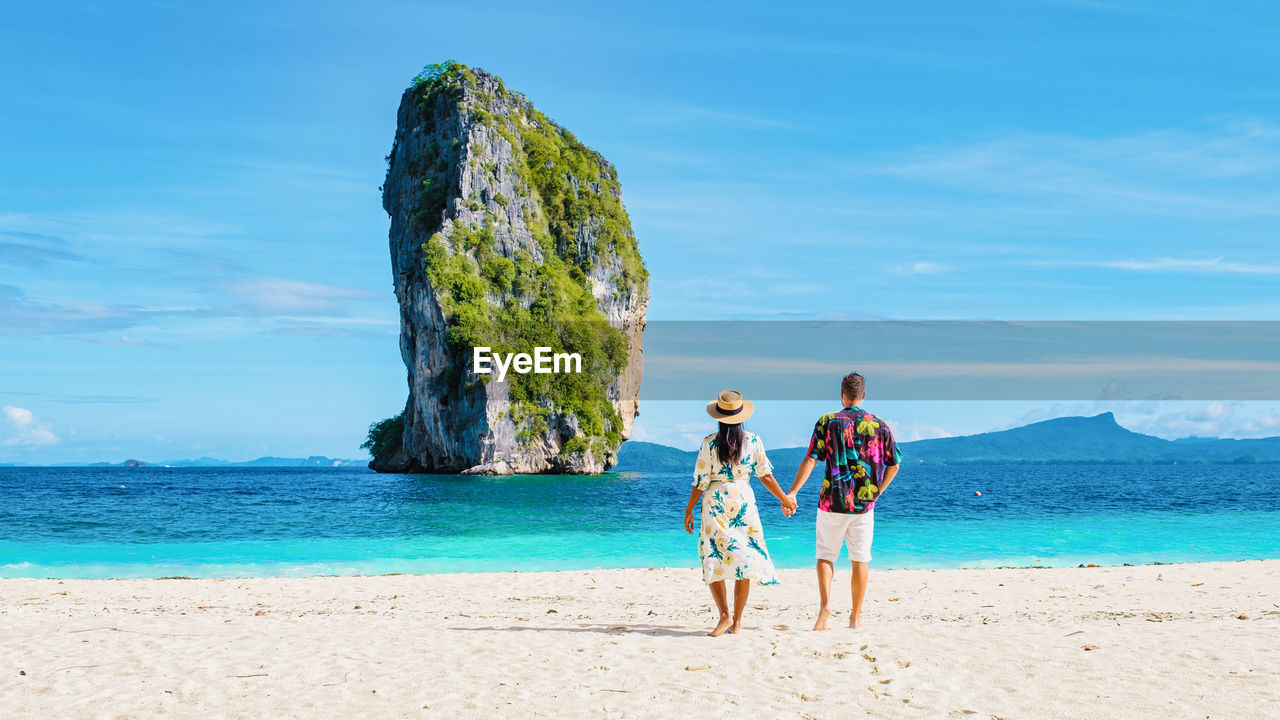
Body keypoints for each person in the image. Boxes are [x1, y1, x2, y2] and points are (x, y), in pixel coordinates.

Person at [784, 372, 901, 630]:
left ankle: (825, 605)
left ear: (841, 394)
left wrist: (792, 492)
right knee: (860, 559)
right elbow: (894, 465)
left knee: (825, 557)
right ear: (863, 395)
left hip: (831, 502)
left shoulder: (827, 421)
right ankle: (855, 617)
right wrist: (877, 492)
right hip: (864, 505)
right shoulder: (880, 425)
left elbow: (811, 459)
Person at [683, 390, 798, 636]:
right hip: (743, 502)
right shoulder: (753, 441)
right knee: (743, 561)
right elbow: (765, 476)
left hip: (715, 503)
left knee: (712, 556)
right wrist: (785, 499)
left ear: (719, 417)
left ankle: (724, 614)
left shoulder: (708, 442)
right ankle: (737, 623)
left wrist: (689, 509)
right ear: (741, 415)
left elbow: (700, 482)